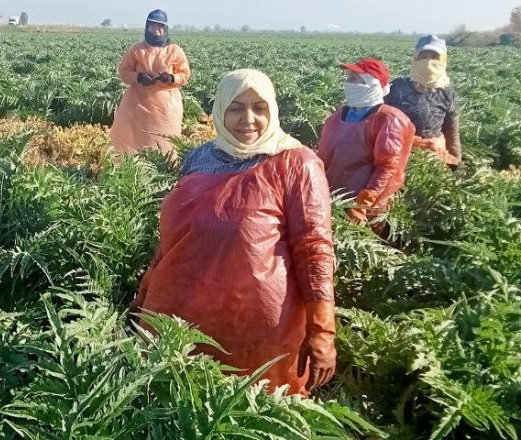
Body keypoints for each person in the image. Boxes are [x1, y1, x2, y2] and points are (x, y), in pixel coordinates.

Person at [129, 69, 336, 396]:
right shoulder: (199, 158)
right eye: (236, 107)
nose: (248, 119)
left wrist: (322, 330)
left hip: (252, 328)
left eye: (259, 107)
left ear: (272, 109)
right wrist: (146, 288)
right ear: (220, 108)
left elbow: (314, 248)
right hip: (177, 317)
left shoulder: (296, 163)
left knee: (245, 412)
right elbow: (174, 236)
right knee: (172, 404)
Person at [317, 58, 415, 225]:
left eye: (354, 79)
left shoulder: (388, 119)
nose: (348, 83)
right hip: (333, 200)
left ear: (373, 85)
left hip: (364, 210)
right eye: (348, 78)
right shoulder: (339, 114)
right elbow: (324, 156)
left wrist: (363, 204)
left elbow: (387, 168)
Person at [109, 9, 191, 156]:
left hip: (166, 107)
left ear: (165, 28)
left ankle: (163, 169)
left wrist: (171, 78)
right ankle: (131, 168)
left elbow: (184, 74)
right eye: (153, 25)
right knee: (132, 139)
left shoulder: (174, 50)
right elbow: (124, 71)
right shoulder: (137, 50)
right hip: (137, 103)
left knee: (165, 142)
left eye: (160, 26)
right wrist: (138, 77)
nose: (156, 29)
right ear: (147, 27)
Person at [384, 35, 461, 167]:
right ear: (415, 58)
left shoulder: (446, 92)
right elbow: (378, 120)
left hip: (433, 157)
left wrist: (456, 161)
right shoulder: (397, 87)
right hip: (396, 154)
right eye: (424, 56)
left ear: (443, 61)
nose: (428, 61)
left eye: (434, 57)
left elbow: (452, 132)